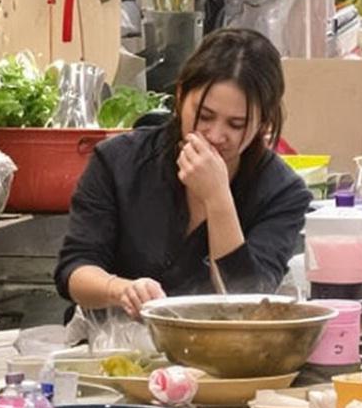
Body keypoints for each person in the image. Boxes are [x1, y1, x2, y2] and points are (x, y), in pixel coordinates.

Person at [57, 28, 312, 314]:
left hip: (218, 350)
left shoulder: (283, 192)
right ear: (180, 96)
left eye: (236, 124)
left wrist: (217, 198)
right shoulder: (119, 160)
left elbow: (248, 301)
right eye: (204, 116)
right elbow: (74, 270)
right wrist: (121, 289)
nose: (216, 135)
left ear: (264, 121)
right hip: (113, 346)